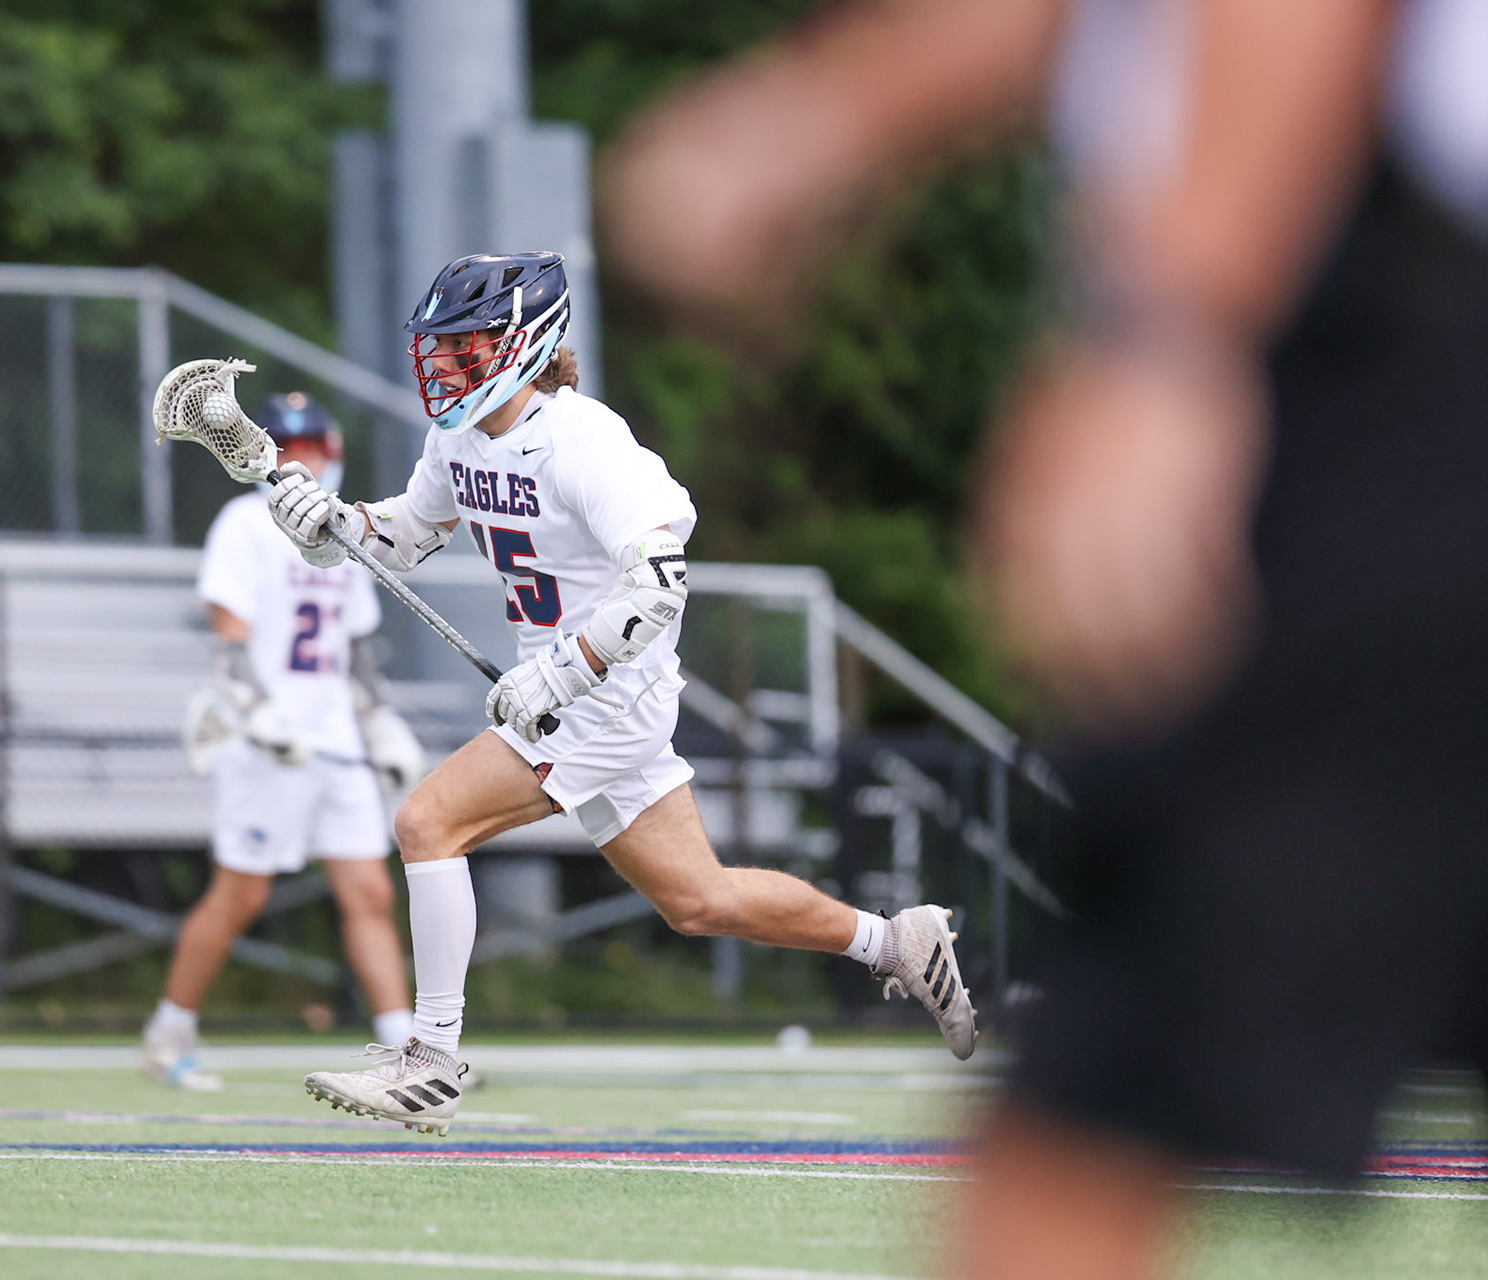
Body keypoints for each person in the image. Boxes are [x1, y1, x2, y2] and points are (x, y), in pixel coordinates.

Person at [605, 1, 1488, 1275]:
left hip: (1389, 339)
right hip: (1382, 300)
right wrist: (830, 117)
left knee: (1096, 1112)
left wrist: (1164, 328)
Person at [263, 250, 977, 1135]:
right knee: (699, 901)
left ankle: (433, 1060)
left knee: (426, 821)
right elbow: (406, 537)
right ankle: (896, 941)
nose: (444, 365)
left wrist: (562, 672)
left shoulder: (585, 441)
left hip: (605, 692)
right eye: (439, 348)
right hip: (571, 692)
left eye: (467, 345)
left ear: (525, 344)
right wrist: (334, 527)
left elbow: (658, 583)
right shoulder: (456, 439)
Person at [142, 391, 427, 1090]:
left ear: (331, 452)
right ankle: (170, 1028)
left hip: (334, 738)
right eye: (287, 446)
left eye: (311, 446)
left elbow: (351, 648)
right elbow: (229, 642)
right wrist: (256, 711)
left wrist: (380, 720)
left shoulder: (339, 526)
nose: (300, 459)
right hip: (269, 741)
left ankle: (406, 1049)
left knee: (369, 891)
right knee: (241, 895)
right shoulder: (243, 524)